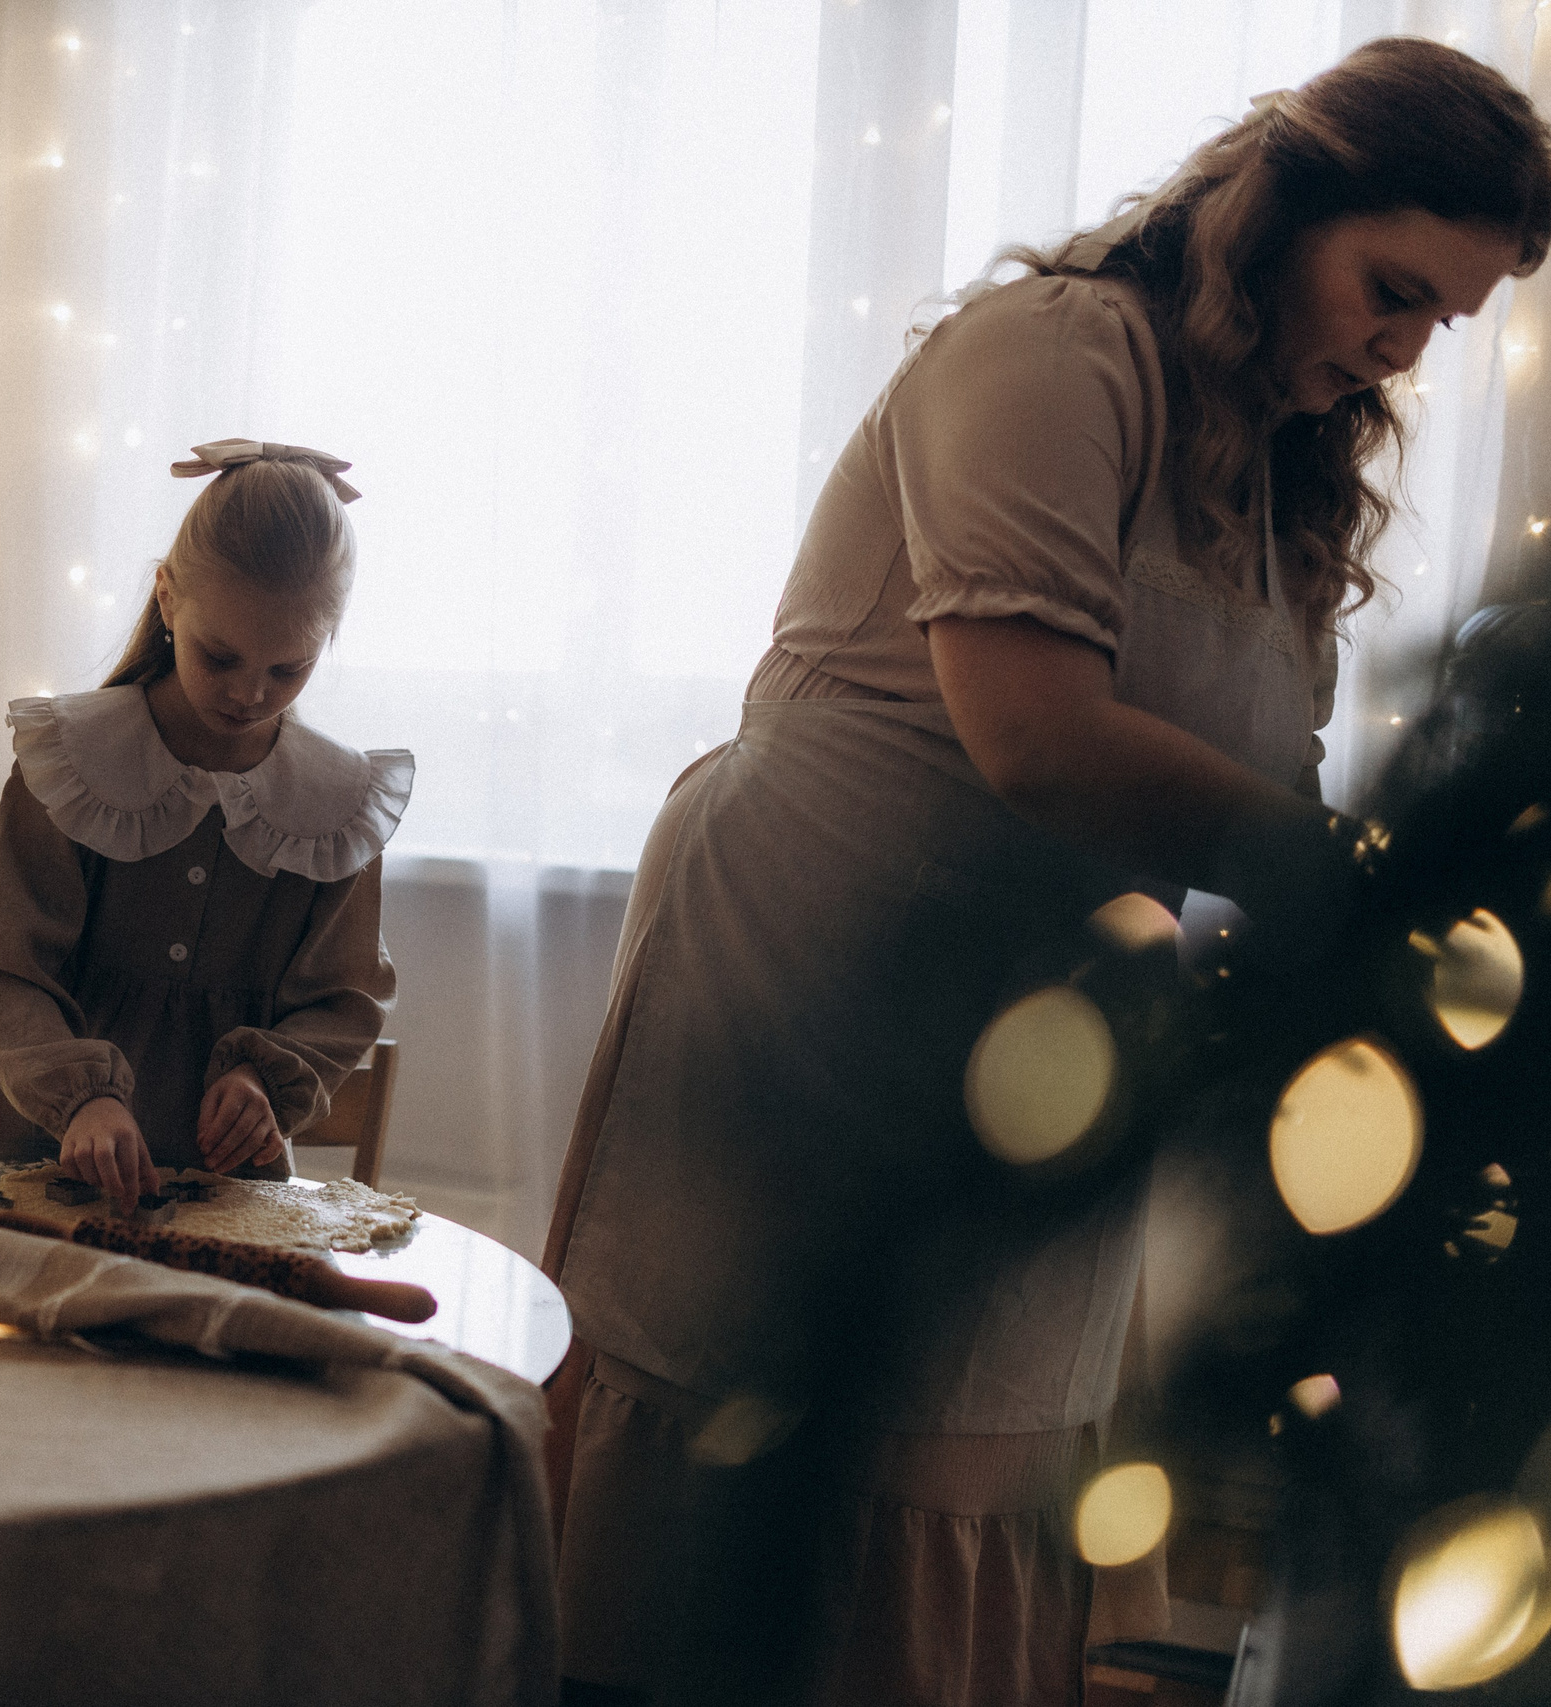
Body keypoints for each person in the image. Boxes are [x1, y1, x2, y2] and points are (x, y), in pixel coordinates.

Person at [542, 37, 1551, 1706]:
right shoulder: (1055, 353)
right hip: (812, 975)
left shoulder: (1297, 472)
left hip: (1056, 1032)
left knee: (971, 1474)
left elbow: (1258, 795)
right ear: (1286, 202)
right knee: (758, 1464)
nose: (1402, 344)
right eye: (1393, 286)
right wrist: (1372, 897)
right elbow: (1034, 735)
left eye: (1442, 316)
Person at [0, 440, 413, 1207]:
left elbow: (342, 1002)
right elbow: (12, 976)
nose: (249, 692)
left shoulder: (337, 804)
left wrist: (261, 1079)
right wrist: (83, 1097)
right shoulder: (69, 762)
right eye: (222, 656)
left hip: (232, 1193)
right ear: (168, 598)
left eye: (288, 668)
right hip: (48, 1170)